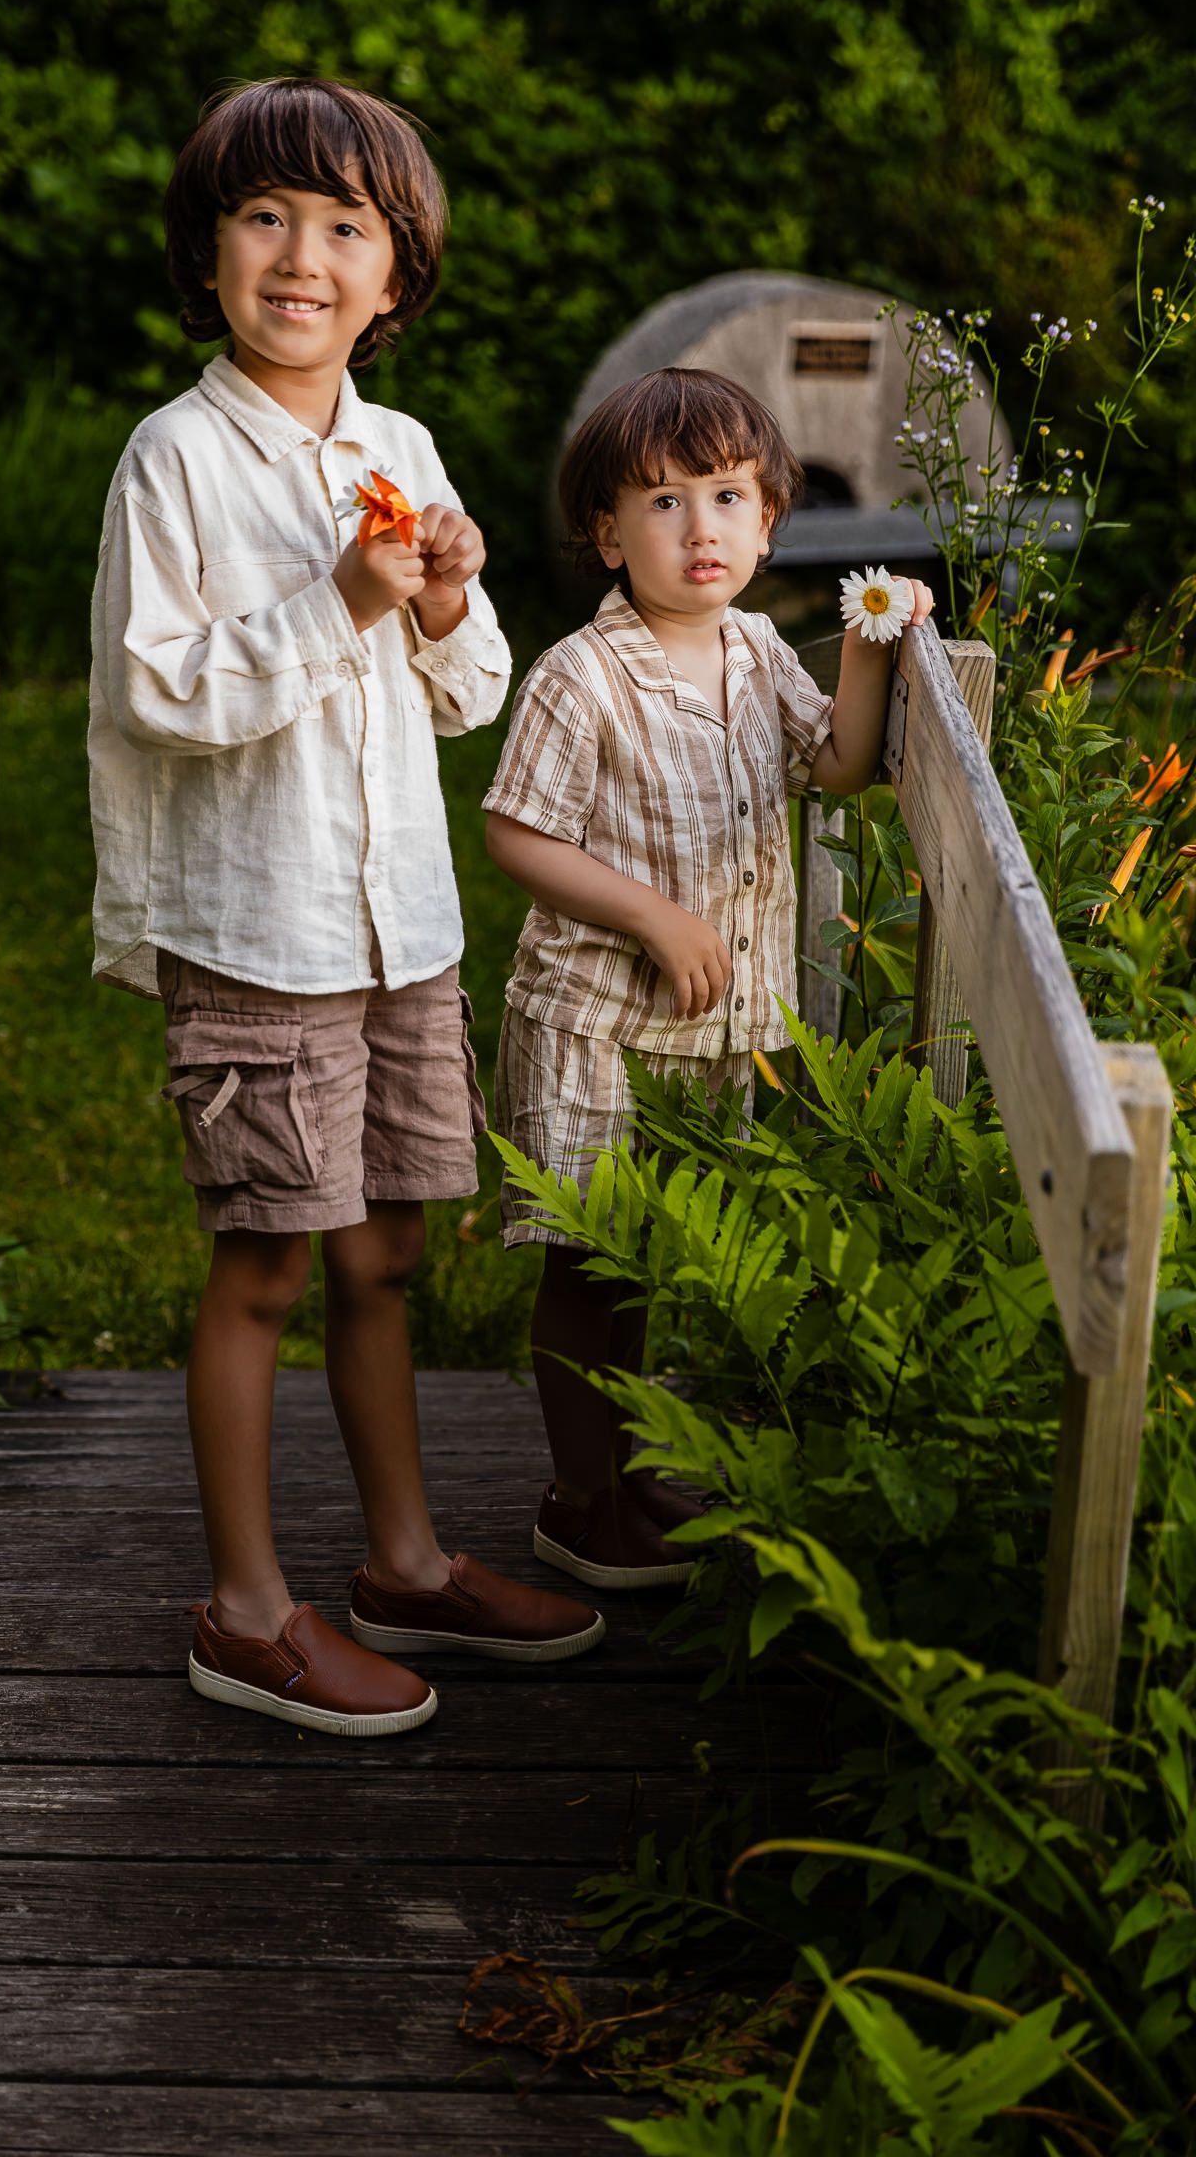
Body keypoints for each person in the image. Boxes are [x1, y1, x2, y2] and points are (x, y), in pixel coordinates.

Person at [88, 77, 604, 1740]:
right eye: (264, 218)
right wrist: (337, 602)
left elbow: (466, 696)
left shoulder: (402, 450)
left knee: (385, 1252)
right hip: (261, 930)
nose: (301, 256)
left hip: (401, 931)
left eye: (343, 226)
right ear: (208, 254)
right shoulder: (174, 460)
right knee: (262, 1263)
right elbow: (161, 693)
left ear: (395, 278)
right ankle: (246, 1614)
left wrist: (443, 601)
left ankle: (406, 1564)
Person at [483, 367, 933, 1588]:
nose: (701, 529)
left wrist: (873, 644)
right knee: (589, 1262)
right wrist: (651, 916)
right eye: (664, 501)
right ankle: (580, 1503)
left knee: (648, 1260)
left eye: (728, 497)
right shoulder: (580, 677)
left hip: (707, 1033)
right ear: (606, 535)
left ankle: (625, 1473)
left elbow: (836, 763)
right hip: (596, 1022)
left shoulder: (756, 649)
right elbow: (517, 833)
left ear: (769, 522)